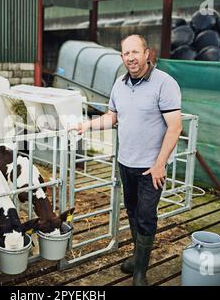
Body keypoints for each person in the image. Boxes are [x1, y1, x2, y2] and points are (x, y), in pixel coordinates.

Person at [74, 34, 182, 286]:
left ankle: (140, 273)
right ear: (122, 57)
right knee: (132, 211)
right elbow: (112, 117)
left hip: (150, 167)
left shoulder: (164, 83)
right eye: (126, 53)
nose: (131, 58)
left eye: (135, 52)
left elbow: (174, 128)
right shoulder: (119, 84)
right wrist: (85, 126)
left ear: (147, 54)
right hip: (126, 162)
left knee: (145, 215)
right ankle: (138, 258)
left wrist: (159, 163)